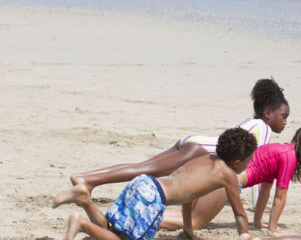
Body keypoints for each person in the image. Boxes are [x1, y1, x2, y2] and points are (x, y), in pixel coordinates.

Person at [54, 78, 289, 207]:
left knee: (143, 167)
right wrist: (257, 203)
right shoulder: (262, 128)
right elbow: (255, 170)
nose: (285, 122)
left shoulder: (252, 123)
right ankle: (87, 179)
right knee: (146, 170)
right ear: (268, 113)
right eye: (284, 116)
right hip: (199, 150)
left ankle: (88, 180)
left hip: (194, 142)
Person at [62, 127, 257, 240]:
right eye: (249, 161)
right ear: (237, 161)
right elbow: (239, 213)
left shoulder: (205, 159)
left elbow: (190, 197)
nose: (248, 165)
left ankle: (85, 200)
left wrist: (188, 229)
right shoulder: (228, 176)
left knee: (111, 229)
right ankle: (82, 224)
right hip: (153, 197)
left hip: (144, 183)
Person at [159, 125, 301, 234]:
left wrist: (258, 221)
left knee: (190, 214)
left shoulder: (282, 150)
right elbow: (280, 197)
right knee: (196, 221)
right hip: (226, 182)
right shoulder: (290, 158)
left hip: (221, 176)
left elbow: (265, 188)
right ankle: (153, 220)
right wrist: (273, 229)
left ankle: (154, 215)